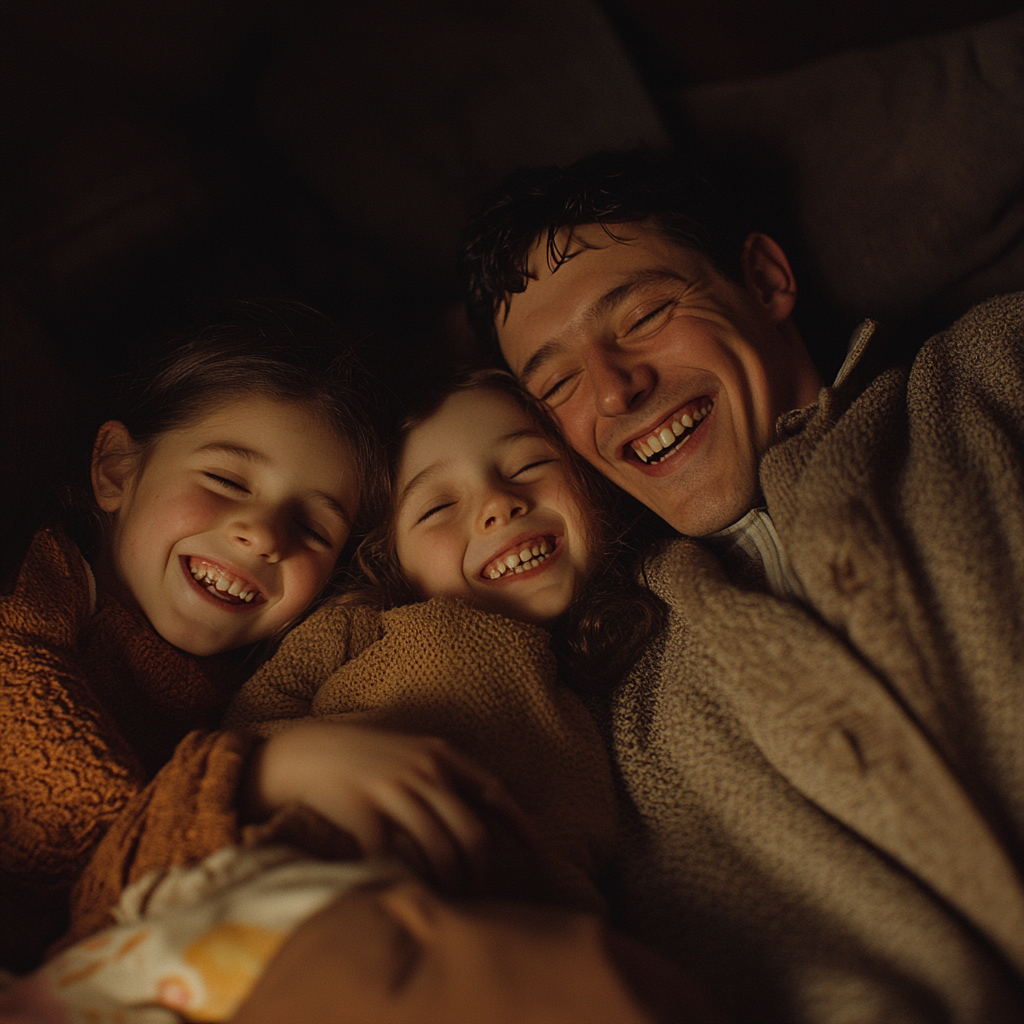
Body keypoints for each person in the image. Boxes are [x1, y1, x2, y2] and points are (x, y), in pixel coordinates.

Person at [459, 149, 1024, 1023]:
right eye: (559, 383)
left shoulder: (993, 374)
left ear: (763, 280)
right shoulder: (611, 697)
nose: (614, 392)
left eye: (643, 316)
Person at [0, 306, 378, 971]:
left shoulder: (259, 691)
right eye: (227, 481)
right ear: (116, 469)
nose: (262, 535)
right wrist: (229, 789)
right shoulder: (43, 586)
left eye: (313, 529)